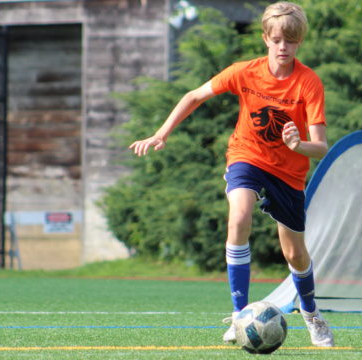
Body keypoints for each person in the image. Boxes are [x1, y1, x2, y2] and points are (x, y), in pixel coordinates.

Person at [128, 1, 334, 347]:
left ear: (300, 43)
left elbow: (321, 146)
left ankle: (312, 314)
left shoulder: (308, 83)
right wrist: (161, 133)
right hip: (247, 156)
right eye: (278, 39)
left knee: (294, 254)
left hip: (288, 172)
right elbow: (194, 95)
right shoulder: (244, 71)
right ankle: (240, 316)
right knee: (239, 217)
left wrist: (299, 145)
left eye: (292, 41)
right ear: (266, 38)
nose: (284, 47)